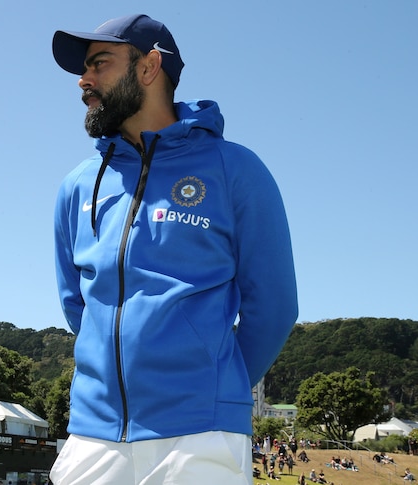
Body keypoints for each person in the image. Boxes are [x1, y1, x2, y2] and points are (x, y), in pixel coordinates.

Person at [48, 13, 298, 485]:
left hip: (201, 435)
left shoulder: (235, 169)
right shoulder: (77, 185)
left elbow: (275, 307)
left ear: (149, 67)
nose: (84, 80)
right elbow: (76, 305)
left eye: (100, 63)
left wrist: (210, 385)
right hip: (91, 434)